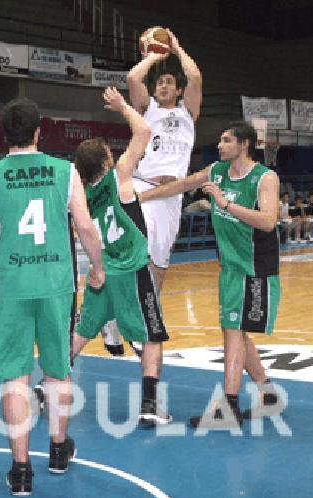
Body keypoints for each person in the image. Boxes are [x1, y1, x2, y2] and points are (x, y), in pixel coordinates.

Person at [0, 97, 106, 496]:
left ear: (5, 135)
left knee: (15, 377)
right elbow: (86, 228)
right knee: (58, 371)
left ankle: (21, 472)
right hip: (57, 284)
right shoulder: (66, 171)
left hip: (11, 287)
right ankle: (57, 451)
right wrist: (99, 269)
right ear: (39, 131)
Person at [138, 121, 282, 428]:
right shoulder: (216, 171)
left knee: (233, 331)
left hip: (255, 267)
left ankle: (228, 407)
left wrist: (225, 203)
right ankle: (268, 394)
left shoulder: (265, 178)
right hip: (230, 267)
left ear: (244, 145)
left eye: (226, 140)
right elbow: (181, 185)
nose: (219, 144)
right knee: (236, 330)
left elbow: (269, 221)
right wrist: (144, 197)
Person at [63, 87, 173, 426]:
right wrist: (122, 105)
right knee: (153, 336)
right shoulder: (118, 178)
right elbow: (144, 131)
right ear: (107, 160)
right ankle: (150, 405)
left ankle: (44, 386)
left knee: (81, 332)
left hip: (103, 268)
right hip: (131, 268)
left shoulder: (79, 196)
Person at [125, 27, 202, 317]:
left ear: (179, 90)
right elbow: (133, 78)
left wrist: (177, 48)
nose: (163, 86)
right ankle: (116, 315)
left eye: (169, 82)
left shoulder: (188, 114)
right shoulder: (148, 110)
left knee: (160, 259)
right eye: (159, 83)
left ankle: (149, 309)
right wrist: (154, 56)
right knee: (134, 251)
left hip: (172, 195)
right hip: (143, 186)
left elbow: (195, 77)